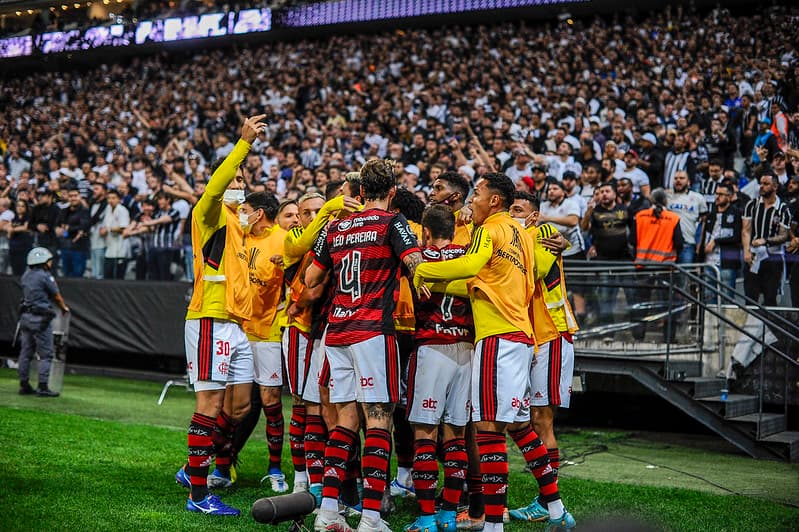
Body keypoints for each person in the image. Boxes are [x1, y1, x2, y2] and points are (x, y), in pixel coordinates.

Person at [413, 172, 575, 532]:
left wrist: (422, 269)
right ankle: (556, 510)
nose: (473, 199)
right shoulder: (519, 234)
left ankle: (492, 525)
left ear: (495, 200)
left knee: (487, 430)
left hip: (498, 339)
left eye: (478, 193)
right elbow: (477, 281)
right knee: (519, 426)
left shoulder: (489, 231)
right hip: (520, 337)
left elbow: (469, 267)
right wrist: (436, 281)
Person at [306, 159, 425, 532]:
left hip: (337, 332)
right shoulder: (394, 223)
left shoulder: (335, 227)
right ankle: (371, 518)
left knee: (344, 421)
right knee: (379, 420)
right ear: (391, 193)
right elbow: (415, 264)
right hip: (373, 331)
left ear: (359, 193)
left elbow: (311, 278)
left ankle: (328, 513)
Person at [174, 114, 267, 517]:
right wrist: (242, 145)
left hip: (237, 325)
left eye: (242, 183)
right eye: (234, 182)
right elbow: (214, 185)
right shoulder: (208, 215)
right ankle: (198, 494)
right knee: (210, 405)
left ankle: (193, 468)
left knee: (242, 407)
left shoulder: (240, 227)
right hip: (211, 319)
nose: (238, 186)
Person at [403, 204, 474, 532]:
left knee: (425, 435)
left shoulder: (419, 257)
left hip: (431, 348)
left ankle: (427, 517)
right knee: (456, 436)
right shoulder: (468, 256)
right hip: (465, 349)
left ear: (426, 231)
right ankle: (449, 515)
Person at [238, 191, 289, 491]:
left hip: (268, 329)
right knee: (235, 404)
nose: (240, 214)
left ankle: (275, 469)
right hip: (238, 328)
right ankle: (223, 465)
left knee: (271, 403)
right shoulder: (239, 236)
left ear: (258, 213)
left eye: (245, 209)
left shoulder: (282, 239)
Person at [17, 247, 69, 397]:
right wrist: (63, 308)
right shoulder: (45, 276)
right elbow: (56, 296)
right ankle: (43, 386)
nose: (51, 263)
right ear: (43, 262)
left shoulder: (26, 275)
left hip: (25, 318)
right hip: (40, 319)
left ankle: (24, 384)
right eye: (49, 261)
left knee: (25, 352)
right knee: (46, 354)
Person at [741, 169, 791, 306]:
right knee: (750, 297)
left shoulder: (783, 209)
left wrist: (766, 240)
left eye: (766, 184)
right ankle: (750, 327)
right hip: (753, 256)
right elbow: (746, 230)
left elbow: (784, 235)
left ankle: (769, 327)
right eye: (761, 183)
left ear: (775, 186)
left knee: (770, 298)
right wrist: (746, 251)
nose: (761, 186)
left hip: (773, 257)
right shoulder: (752, 205)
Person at [702, 182, 742, 302]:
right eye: (716, 193)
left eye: (721, 194)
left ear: (729, 196)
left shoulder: (736, 213)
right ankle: (711, 321)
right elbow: (705, 236)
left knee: (727, 297)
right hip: (709, 261)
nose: (717, 197)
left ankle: (725, 321)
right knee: (709, 297)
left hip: (727, 261)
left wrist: (716, 241)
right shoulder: (711, 214)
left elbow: (737, 237)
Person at [666, 171, 708, 264]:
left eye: (681, 178)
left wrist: (699, 245)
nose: (678, 181)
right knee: (668, 276)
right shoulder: (666, 196)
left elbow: (703, 222)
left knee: (685, 275)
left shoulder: (698, 198)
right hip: (668, 244)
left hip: (688, 243)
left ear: (688, 182)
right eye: (676, 178)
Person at [56, 188, 90, 278]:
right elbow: (57, 225)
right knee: (66, 275)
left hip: (78, 247)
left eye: (75, 196)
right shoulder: (64, 211)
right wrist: (57, 229)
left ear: (80, 197)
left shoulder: (84, 211)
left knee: (77, 275)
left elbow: (84, 227)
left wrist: (69, 228)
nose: (73, 198)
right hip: (65, 246)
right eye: (71, 196)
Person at [101, 189, 130, 280]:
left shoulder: (122, 210)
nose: (111, 200)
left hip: (120, 248)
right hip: (109, 247)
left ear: (119, 199)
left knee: (118, 277)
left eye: (113, 198)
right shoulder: (108, 209)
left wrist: (108, 229)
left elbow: (123, 227)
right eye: (109, 198)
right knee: (107, 276)